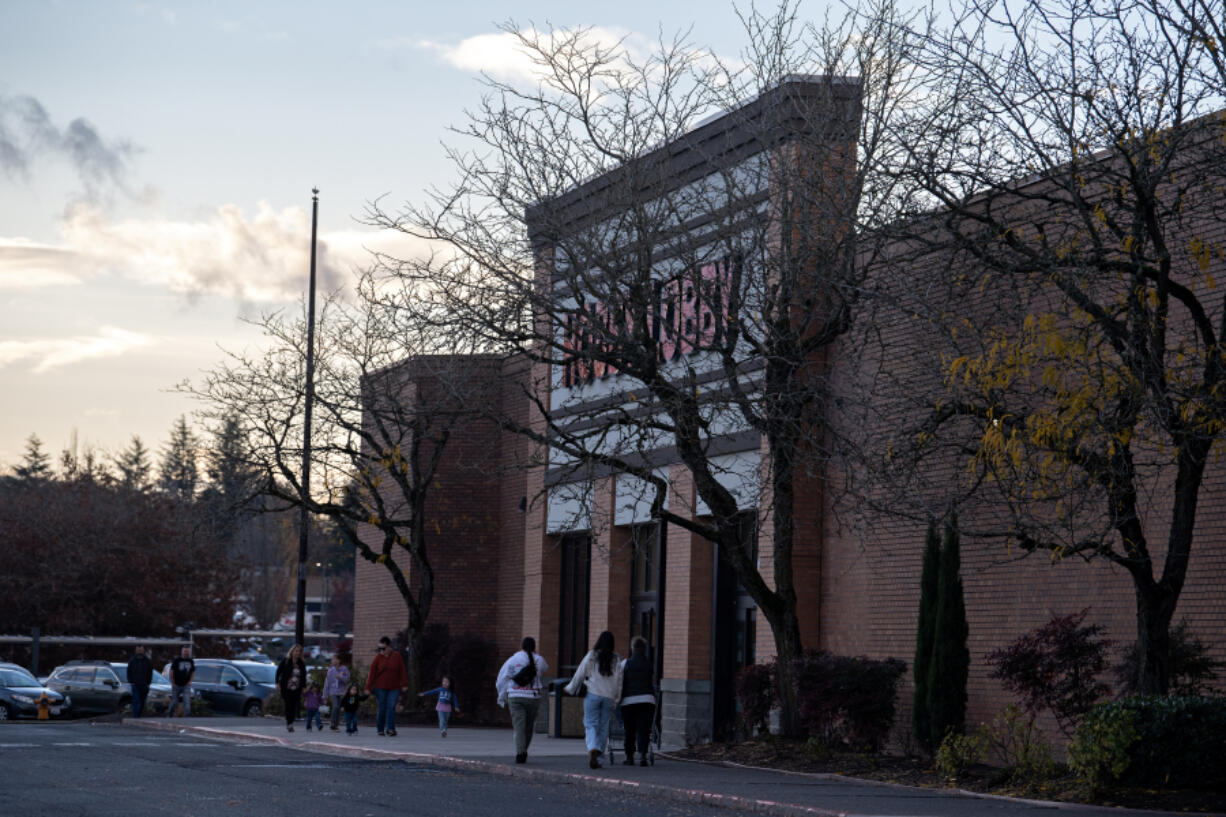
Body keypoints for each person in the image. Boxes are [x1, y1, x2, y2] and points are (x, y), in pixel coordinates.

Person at [565, 630, 623, 769]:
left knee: (590, 724)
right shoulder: (616, 659)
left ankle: (592, 747)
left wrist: (570, 688)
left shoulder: (592, 656)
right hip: (608, 696)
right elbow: (619, 681)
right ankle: (600, 757)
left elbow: (580, 672)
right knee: (603, 727)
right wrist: (616, 699)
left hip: (592, 694)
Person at [495, 636, 548, 764]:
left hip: (516, 696)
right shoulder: (539, 660)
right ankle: (524, 749)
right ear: (534, 647)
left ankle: (520, 752)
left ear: (522, 646)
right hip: (533, 697)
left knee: (519, 727)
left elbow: (502, 678)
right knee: (529, 727)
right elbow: (544, 669)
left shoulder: (513, 660)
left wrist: (502, 696)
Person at [619, 636, 657, 767]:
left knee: (629, 730)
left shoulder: (625, 663)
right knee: (644, 729)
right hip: (647, 699)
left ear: (632, 648)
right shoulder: (649, 664)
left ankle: (629, 757)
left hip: (629, 700)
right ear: (644, 649)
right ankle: (643, 755)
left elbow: (619, 681)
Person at [365, 636, 407, 737]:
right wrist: (368, 687)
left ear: (389, 647)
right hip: (380, 687)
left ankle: (390, 729)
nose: (381, 651)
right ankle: (380, 729)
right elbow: (372, 673)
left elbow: (402, 670)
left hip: (394, 687)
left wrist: (404, 684)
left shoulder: (397, 656)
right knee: (382, 708)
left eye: (383, 648)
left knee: (391, 707)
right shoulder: (378, 658)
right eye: (379, 648)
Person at [276, 643, 307, 732]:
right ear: (292, 651)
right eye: (296, 651)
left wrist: (304, 686)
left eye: (299, 652)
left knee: (293, 706)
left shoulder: (301, 663)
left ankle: (291, 722)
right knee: (288, 704)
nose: (297, 653)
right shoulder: (286, 660)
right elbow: (279, 671)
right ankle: (289, 723)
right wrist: (277, 683)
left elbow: (304, 675)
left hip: (297, 687)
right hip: (286, 686)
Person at [323, 654, 350, 732]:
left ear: (339, 660)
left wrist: (341, 677)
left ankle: (336, 725)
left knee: (338, 708)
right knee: (335, 706)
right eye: (332, 660)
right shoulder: (331, 670)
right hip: (333, 691)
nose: (333, 661)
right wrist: (324, 695)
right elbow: (327, 683)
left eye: (335, 659)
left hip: (342, 692)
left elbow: (347, 680)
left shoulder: (344, 669)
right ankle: (332, 723)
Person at [126, 644, 153, 719]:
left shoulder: (147, 661)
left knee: (142, 702)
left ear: (143, 650)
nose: (139, 651)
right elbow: (129, 672)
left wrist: (148, 683)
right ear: (136, 650)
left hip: (144, 685)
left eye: (141, 650)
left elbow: (150, 672)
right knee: (136, 701)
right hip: (135, 685)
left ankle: (138, 716)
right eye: (138, 650)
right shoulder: (132, 661)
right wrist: (131, 681)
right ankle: (135, 717)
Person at [167, 645, 195, 718]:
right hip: (176, 684)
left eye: (188, 652)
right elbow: (171, 671)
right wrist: (172, 682)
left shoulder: (190, 661)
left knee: (186, 701)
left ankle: (187, 717)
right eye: (185, 651)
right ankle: (169, 715)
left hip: (186, 685)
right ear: (182, 652)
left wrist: (190, 681)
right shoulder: (177, 660)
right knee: (174, 702)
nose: (186, 653)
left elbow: (192, 672)